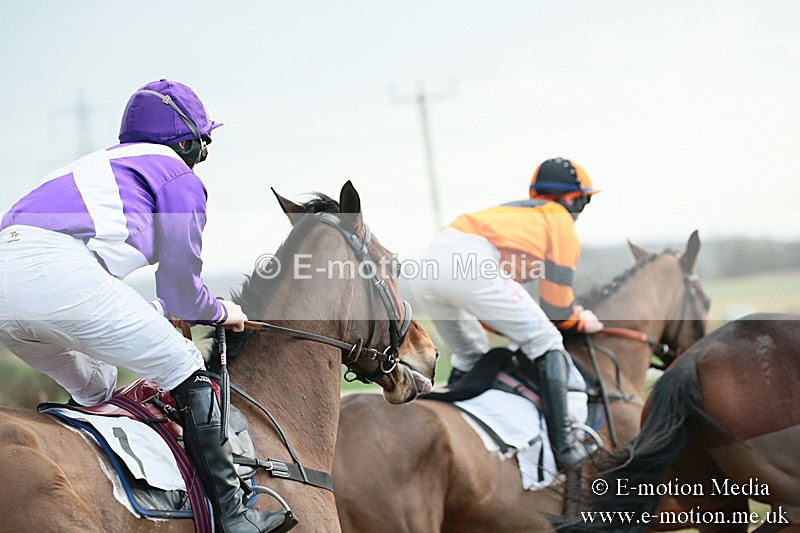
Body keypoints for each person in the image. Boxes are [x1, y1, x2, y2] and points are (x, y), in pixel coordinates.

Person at [0, 80, 286, 532]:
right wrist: (220, 311)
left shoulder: (94, 166)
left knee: (99, 387)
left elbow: (98, 280)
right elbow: (181, 290)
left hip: (10, 283)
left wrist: (161, 309)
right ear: (190, 142)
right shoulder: (177, 175)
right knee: (184, 362)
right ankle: (235, 518)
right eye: (203, 146)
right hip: (58, 276)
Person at [407, 157, 604, 469]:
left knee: (470, 354)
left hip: (427, 264)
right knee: (547, 340)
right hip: (471, 264)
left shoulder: (517, 215)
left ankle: (457, 424)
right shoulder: (560, 221)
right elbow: (558, 310)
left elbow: (492, 310)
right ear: (572, 199)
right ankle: (565, 446)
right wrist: (583, 320)